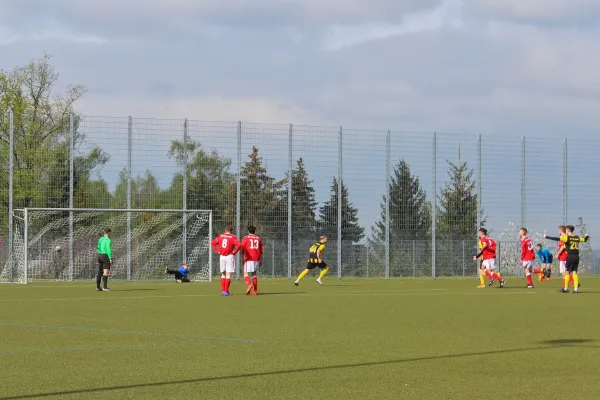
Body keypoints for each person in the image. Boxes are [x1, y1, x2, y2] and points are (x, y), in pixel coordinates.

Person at [545, 225, 590, 293]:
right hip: (576, 256)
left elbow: (557, 239)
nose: (565, 231)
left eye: (566, 230)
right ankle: (576, 289)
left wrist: (546, 237)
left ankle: (566, 288)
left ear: (568, 230)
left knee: (567, 272)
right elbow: (585, 240)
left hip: (570, 256)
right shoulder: (577, 237)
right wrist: (587, 236)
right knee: (574, 272)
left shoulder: (567, 237)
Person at [211, 224, 241, 296]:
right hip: (229, 256)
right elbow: (239, 245)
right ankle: (226, 291)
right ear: (231, 231)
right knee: (228, 274)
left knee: (223, 274)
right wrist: (235, 252)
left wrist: (217, 250)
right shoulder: (233, 237)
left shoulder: (220, 236)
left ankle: (223, 291)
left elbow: (212, 243)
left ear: (225, 230)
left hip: (222, 256)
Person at [240, 225, 263, 295]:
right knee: (254, 274)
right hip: (256, 259)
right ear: (255, 231)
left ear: (248, 231)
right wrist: (261, 259)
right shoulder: (258, 239)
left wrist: (242, 257)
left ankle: (249, 285)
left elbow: (242, 248)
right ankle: (255, 290)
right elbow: (261, 250)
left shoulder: (245, 238)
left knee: (245, 273)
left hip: (248, 258)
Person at [96, 228, 112, 292]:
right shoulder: (108, 240)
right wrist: (110, 258)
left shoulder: (100, 239)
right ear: (109, 233)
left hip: (100, 255)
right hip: (105, 256)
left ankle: (97, 287)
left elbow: (98, 247)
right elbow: (108, 249)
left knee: (100, 272)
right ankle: (105, 287)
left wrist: (100, 253)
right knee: (106, 272)